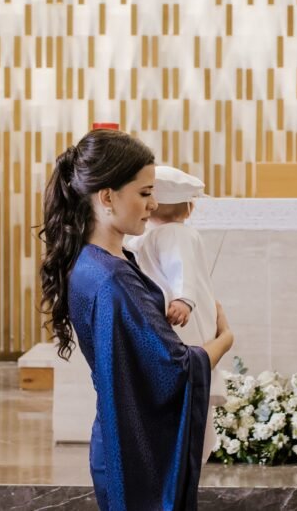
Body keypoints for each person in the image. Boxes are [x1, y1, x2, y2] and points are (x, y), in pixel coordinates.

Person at [40, 130, 234, 511]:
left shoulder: (91, 261)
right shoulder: (113, 279)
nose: (154, 204)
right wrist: (225, 338)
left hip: (119, 436)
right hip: (134, 454)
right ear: (107, 197)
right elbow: (176, 371)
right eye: (145, 193)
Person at [124, 165, 226, 462]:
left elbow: (183, 268)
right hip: (175, 317)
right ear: (190, 208)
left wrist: (184, 298)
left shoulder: (175, 234)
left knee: (190, 380)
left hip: (181, 314)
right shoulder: (162, 233)